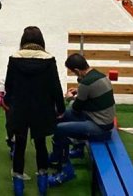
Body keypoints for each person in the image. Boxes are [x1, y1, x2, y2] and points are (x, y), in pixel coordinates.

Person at [4, 26, 65, 196]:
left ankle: (18, 187)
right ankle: (43, 184)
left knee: (20, 145)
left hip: (20, 109)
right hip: (42, 109)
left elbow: (9, 84)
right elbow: (55, 87)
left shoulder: (14, 59)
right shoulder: (49, 60)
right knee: (40, 145)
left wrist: (9, 102)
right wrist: (60, 108)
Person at [48, 53, 114, 186]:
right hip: (104, 120)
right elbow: (92, 94)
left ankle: (67, 171)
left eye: (74, 73)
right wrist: (78, 91)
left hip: (99, 128)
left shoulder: (86, 83)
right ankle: (70, 152)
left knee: (59, 129)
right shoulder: (99, 75)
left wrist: (69, 97)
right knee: (63, 116)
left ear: (77, 71)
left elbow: (76, 109)